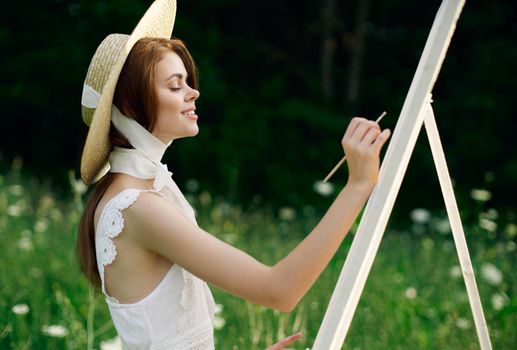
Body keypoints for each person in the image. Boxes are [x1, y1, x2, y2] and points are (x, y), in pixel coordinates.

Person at [76, 1, 391, 349]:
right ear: (131, 106)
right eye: (175, 85)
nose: (193, 92)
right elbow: (279, 290)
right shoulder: (137, 207)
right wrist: (358, 185)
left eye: (187, 82)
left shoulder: (131, 195)